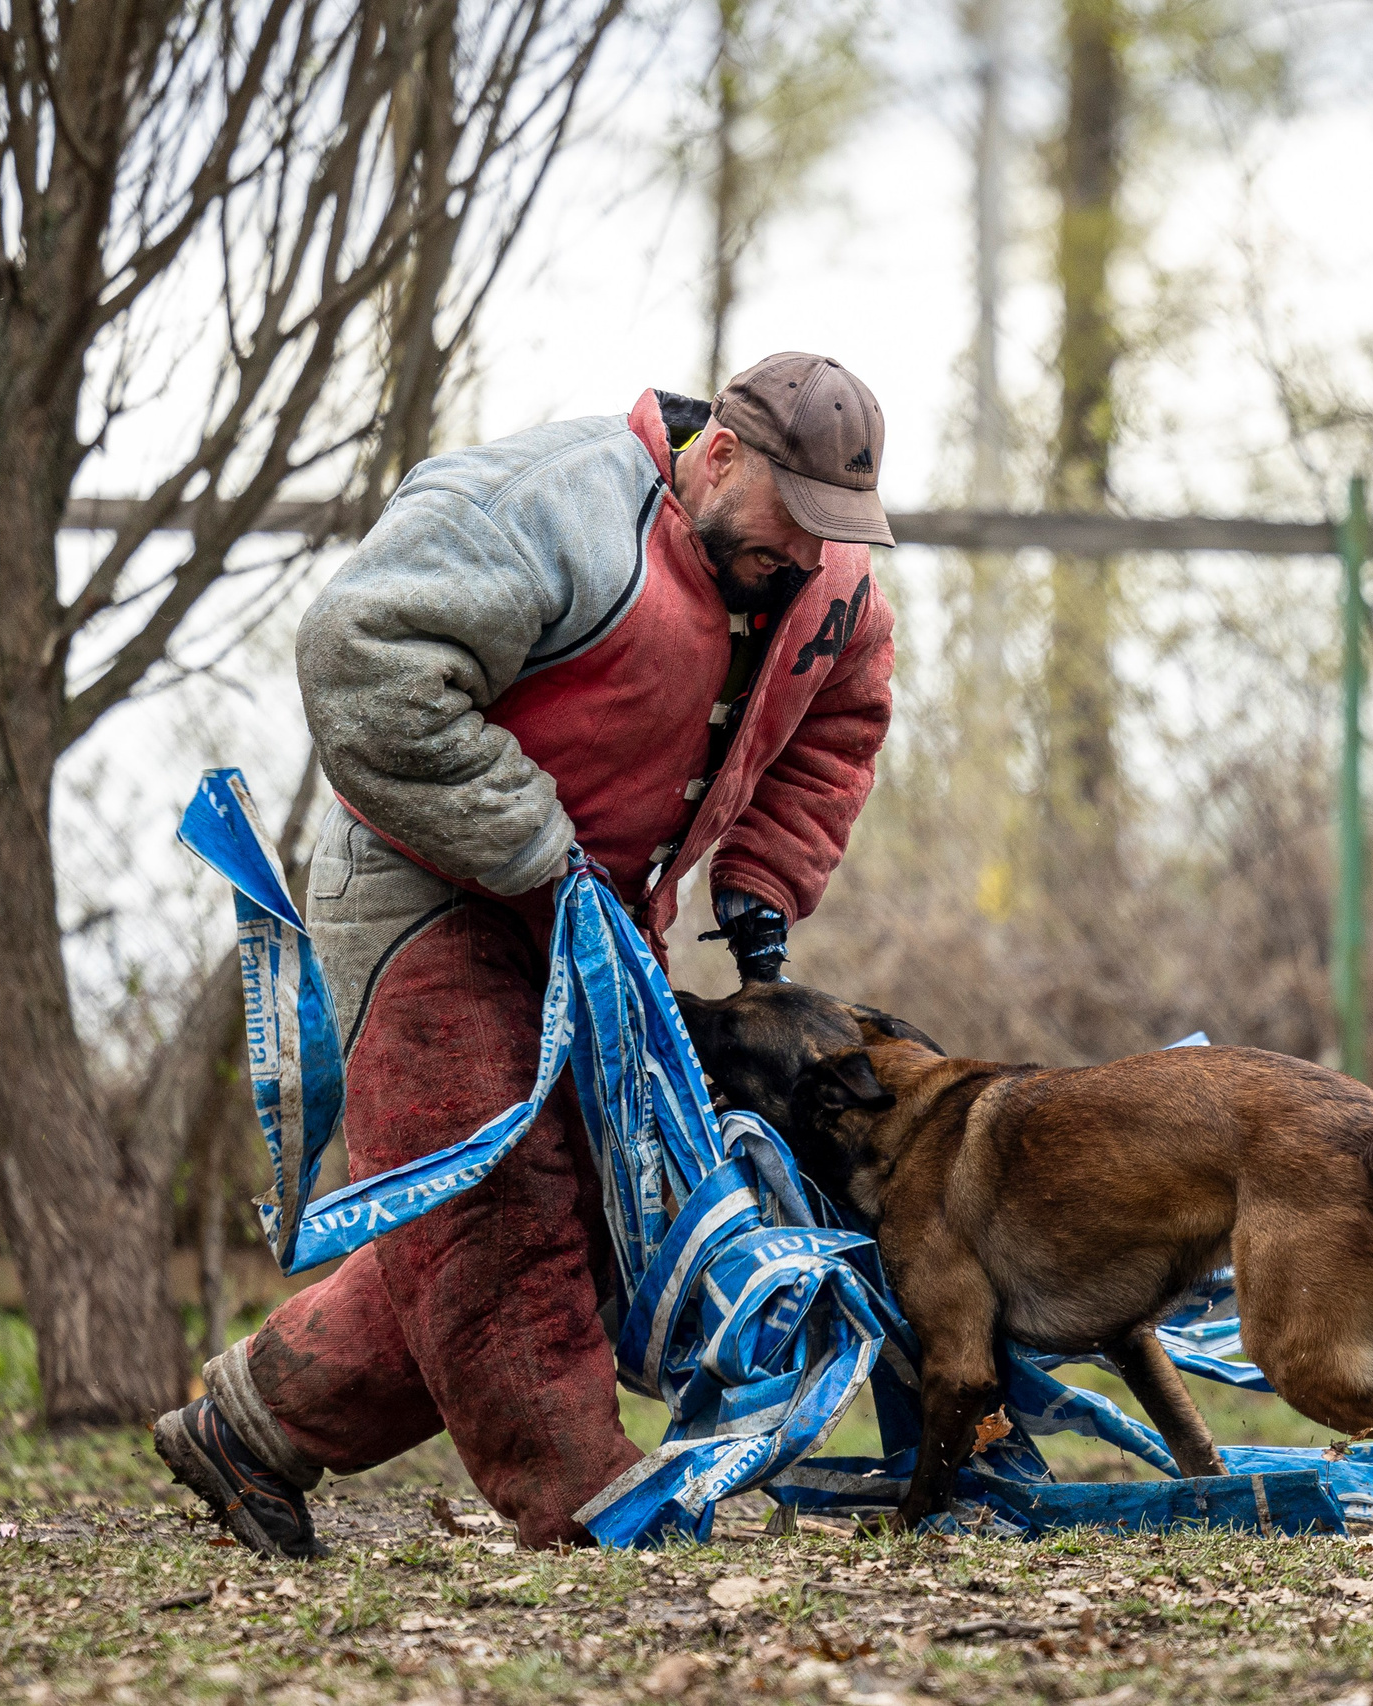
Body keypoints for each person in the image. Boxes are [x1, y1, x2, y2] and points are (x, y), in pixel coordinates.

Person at [153, 354, 898, 1558]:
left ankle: (257, 1422)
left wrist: (760, 895)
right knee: (499, 1208)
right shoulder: (545, 506)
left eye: (834, 534)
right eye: (790, 526)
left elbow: (839, 723)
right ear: (719, 459)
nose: (808, 558)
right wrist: (537, 851)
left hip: (599, 914)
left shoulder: (834, 589)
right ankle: (588, 1501)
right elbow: (362, 656)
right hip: (428, 885)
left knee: (616, 1216)